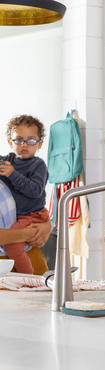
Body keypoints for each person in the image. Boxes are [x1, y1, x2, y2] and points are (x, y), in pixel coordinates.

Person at [0, 115, 49, 274]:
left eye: (31, 140)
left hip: (32, 215)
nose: (24, 145)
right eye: (19, 140)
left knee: (14, 248)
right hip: (22, 219)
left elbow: (35, 191)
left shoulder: (38, 165)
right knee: (15, 247)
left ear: (39, 144)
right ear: (10, 142)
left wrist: (13, 174)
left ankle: (27, 278)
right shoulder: (9, 161)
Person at [0, 178, 51, 275]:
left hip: (33, 258)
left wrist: (46, 226)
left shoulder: (8, 177)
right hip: (5, 268)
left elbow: (35, 207)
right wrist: (29, 234)